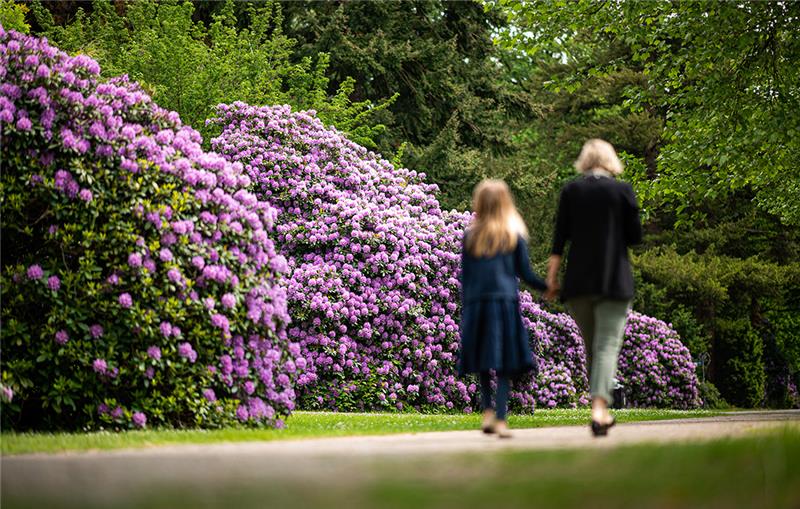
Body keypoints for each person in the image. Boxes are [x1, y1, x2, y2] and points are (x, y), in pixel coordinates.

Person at [545, 139, 642, 437]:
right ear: (611, 161)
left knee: (592, 348)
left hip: (579, 282)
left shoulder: (571, 191)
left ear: (584, 161)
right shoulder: (622, 191)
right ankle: (600, 409)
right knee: (606, 346)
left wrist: (551, 279)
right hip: (614, 280)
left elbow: (559, 240)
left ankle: (598, 407)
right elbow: (635, 236)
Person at [459, 179, 547, 439]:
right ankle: (500, 419)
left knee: (484, 361)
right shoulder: (512, 237)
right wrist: (550, 287)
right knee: (505, 362)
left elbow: (466, 277)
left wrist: (467, 308)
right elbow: (526, 274)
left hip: (477, 303)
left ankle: (487, 411)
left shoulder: (471, 237)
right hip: (504, 303)